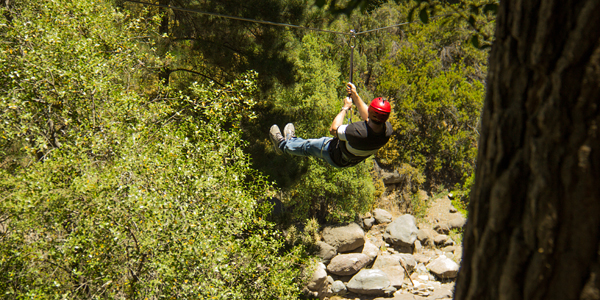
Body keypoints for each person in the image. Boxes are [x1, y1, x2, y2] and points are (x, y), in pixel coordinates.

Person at [269, 82, 393, 168]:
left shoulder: (357, 132)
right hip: (349, 159)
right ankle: (291, 141)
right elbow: (370, 117)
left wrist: (345, 108)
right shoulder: (387, 131)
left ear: (370, 112)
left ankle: (282, 145)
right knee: (308, 146)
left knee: (307, 147)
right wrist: (355, 95)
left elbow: (333, 129)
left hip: (334, 153)